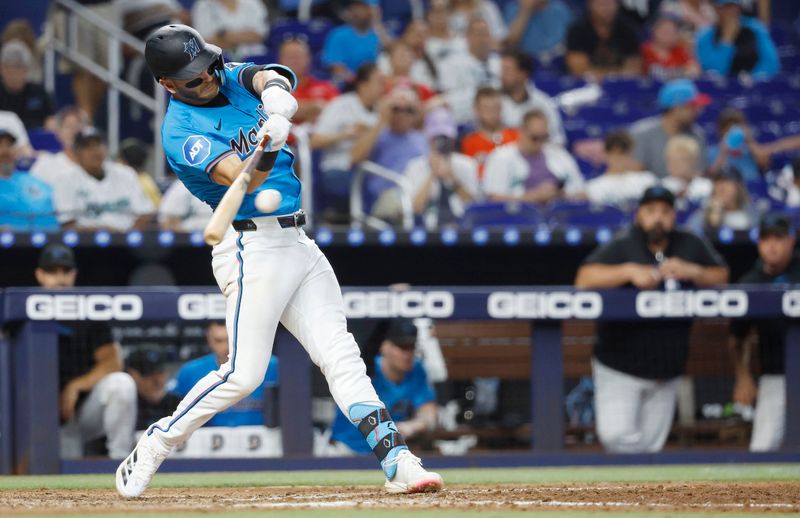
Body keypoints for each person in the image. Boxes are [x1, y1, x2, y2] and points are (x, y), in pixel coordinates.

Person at [116, 24, 443, 498]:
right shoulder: (180, 132)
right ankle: (157, 441)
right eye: (193, 77)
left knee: (342, 356)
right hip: (250, 248)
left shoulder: (222, 74)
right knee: (243, 374)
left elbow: (266, 75)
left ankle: (397, 460)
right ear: (168, 85)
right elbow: (240, 178)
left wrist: (277, 99)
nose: (207, 78)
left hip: (297, 241)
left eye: (207, 66)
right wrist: (268, 144)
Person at [575, 186, 729, 453]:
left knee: (650, 447)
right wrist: (628, 271)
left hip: (667, 368)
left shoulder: (689, 243)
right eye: (651, 211)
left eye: (665, 211)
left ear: (674, 216)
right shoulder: (624, 244)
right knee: (617, 436)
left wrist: (693, 271)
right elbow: (584, 279)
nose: (658, 218)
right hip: (619, 365)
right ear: (639, 215)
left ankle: (640, 494)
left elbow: (721, 276)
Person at [35, 244, 137, 459]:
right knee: (60, 468)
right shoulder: (24, 314)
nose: (60, 278)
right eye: (53, 272)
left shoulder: (89, 311)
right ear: (40, 275)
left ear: (74, 274)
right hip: (37, 415)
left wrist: (75, 386)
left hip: (83, 409)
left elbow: (113, 362)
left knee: (121, 383)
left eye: (65, 271)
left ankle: (121, 461)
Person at [730, 213, 797, 452]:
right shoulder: (751, 281)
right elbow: (738, 337)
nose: (772, 245)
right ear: (759, 243)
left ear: (791, 240)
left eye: (778, 238)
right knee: (762, 448)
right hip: (775, 376)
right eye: (766, 239)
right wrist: (742, 375)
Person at [329, 319, 439, 454]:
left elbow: (429, 412)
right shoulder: (364, 370)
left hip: (387, 454)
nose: (407, 354)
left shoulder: (416, 370)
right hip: (346, 450)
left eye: (411, 347)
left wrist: (413, 426)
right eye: (401, 347)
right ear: (384, 346)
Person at [169, 321, 278, 427]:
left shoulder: (270, 366)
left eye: (230, 340)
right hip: (207, 441)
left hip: (263, 440)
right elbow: (171, 409)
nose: (226, 347)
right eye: (218, 340)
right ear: (209, 339)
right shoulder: (190, 371)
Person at [311, 63, 385, 218]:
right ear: (363, 84)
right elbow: (315, 141)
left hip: (371, 170)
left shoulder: (382, 110)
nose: (382, 87)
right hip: (338, 168)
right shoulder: (341, 105)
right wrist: (346, 134)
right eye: (378, 82)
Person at [388, 107, 480, 229]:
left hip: (463, 228)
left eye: (445, 138)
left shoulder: (467, 164)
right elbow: (413, 209)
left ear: (453, 139)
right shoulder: (415, 166)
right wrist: (432, 174)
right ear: (428, 139)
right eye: (436, 138)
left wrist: (452, 178)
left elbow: (474, 206)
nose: (441, 143)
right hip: (427, 230)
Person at [51, 127, 156, 231]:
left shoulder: (126, 173)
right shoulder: (65, 178)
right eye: (87, 147)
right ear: (77, 153)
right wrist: (105, 232)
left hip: (126, 242)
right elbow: (68, 225)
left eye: (98, 144)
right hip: (85, 245)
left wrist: (125, 238)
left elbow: (145, 214)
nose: (95, 151)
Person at [483, 109, 584, 204]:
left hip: (559, 215)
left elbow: (583, 193)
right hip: (520, 219)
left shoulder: (560, 155)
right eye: (534, 138)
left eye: (544, 138)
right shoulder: (500, 157)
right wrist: (533, 197)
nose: (539, 143)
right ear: (521, 131)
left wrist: (562, 195)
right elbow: (493, 199)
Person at [363, 87, 428, 207]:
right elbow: (354, 159)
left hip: (415, 194)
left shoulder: (421, 139)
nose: (402, 115)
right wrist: (381, 120)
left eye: (409, 110)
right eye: (396, 109)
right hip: (385, 194)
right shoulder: (377, 134)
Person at [630, 79, 709, 178]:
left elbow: (699, 174)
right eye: (691, 106)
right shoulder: (642, 133)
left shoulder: (697, 134)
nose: (697, 111)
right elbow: (634, 174)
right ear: (676, 108)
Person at [437, 18, 502, 125]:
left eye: (486, 34)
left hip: (499, 119)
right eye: (478, 34)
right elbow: (448, 98)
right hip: (463, 120)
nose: (482, 39)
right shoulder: (451, 63)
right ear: (467, 37)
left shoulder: (500, 63)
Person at [696, 0, 780, 80]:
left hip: (753, 89)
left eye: (735, 6)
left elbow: (771, 65)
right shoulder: (705, 36)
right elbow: (714, 72)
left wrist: (749, 80)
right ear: (716, 8)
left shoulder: (756, 29)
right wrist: (726, 40)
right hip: (719, 92)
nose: (732, 11)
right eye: (726, 6)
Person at [499, 50, 565, 146]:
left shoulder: (542, 103)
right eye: (502, 70)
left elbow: (558, 140)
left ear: (523, 75)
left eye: (507, 70)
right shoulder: (493, 101)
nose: (502, 75)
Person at [565, 0, 642, 79]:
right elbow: (578, 70)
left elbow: (634, 68)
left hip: (621, 86)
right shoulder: (578, 30)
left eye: (610, 4)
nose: (606, 9)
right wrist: (615, 74)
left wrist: (608, 77)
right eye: (602, 4)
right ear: (590, 5)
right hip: (586, 87)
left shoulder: (628, 30)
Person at [0, 128, 59, 231]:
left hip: (50, 239)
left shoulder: (34, 180)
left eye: (9, 145)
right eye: (0, 145)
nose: (5, 151)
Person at [320, 0, 391, 83]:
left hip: (378, 82)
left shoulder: (379, 34)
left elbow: (392, 53)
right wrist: (360, 83)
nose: (359, 11)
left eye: (365, 8)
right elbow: (337, 69)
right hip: (349, 85)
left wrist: (377, 23)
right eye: (356, 7)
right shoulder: (338, 35)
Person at [585, 131, 656, 208]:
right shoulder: (594, 187)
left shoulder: (646, 180)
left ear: (630, 154)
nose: (620, 159)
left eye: (624, 154)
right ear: (606, 154)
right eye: (616, 154)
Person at [278, 38, 338, 126]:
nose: (295, 61)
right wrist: (314, 107)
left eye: (298, 56)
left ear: (308, 59)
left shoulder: (326, 87)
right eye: (290, 57)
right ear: (280, 60)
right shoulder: (269, 88)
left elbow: (337, 113)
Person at [460, 87, 519, 178]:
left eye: (495, 108)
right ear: (476, 110)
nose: (492, 113)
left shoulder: (516, 136)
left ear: (501, 108)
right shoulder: (469, 142)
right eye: (486, 109)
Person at [29, 106, 90, 187]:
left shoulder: (97, 164)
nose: (73, 131)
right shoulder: (46, 164)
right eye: (68, 126)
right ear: (58, 133)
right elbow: (31, 192)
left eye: (77, 126)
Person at [0, 40, 55, 129]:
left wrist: (51, 124)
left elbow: (51, 118)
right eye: (9, 69)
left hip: (35, 138)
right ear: (1, 69)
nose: (13, 75)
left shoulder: (39, 93)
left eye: (18, 68)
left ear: (26, 69)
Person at [126, 348, 183, 431]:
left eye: (161, 373)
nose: (158, 381)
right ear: (133, 375)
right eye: (150, 375)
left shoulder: (179, 405)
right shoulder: (126, 408)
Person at [191, 0, 268, 61]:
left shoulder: (252, 2)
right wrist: (244, 36)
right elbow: (204, 41)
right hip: (219, 58)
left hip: (255, 55)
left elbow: (259, 35)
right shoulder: (203, 5)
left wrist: (224, 35)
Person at [687, 167, 757, 232]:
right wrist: (712, 221)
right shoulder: (702, 215)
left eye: (728, 182)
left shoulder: (753, 213)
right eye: (719, 183)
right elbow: (692, 236)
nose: (722, 187)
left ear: (739, 188)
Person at [707, 108, 768, 182]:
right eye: (728, 130)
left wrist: (749, 140)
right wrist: (723, 152)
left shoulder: (750, 150)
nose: (732, 133)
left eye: (736, 129)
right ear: (721, 131)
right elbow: (710, 176)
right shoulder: (712, 152)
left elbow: (764, 164)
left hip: (753, 188)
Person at [504, 0, 574, 61]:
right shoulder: (514, 9)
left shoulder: (560, 9)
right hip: (527, 64)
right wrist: (525, 11)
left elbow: (573, 41)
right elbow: (510, 44)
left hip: (558, 62)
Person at [641, 14, 701, 80]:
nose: (668, 35)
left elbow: (694, 70)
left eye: (672, 32)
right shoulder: (644, 51)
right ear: (654, 31)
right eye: (665, 31)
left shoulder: (680, 51)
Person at [661, 135, 713, 205]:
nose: (674, 166)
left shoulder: (707, 186)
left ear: (693, 161)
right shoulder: (662, 187)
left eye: (680, 160)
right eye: (671, 160)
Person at [424, 0, 468, 65]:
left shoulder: (462, 40)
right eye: (436, 11)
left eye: (443, 11)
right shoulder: (424, 44)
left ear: (449, 14)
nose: (439, 15)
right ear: (428, 15)